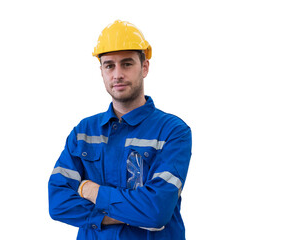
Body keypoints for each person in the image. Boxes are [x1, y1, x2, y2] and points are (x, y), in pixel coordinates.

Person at [48, 20, 192, 239]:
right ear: (102, 71)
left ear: (144, 67)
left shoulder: (172, 132)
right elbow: (58, 203)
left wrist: (91, 191)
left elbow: (156, 212)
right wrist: (132, 211)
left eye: (127, 64)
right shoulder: (83, 132)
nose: (117, 74)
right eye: (109, 65)